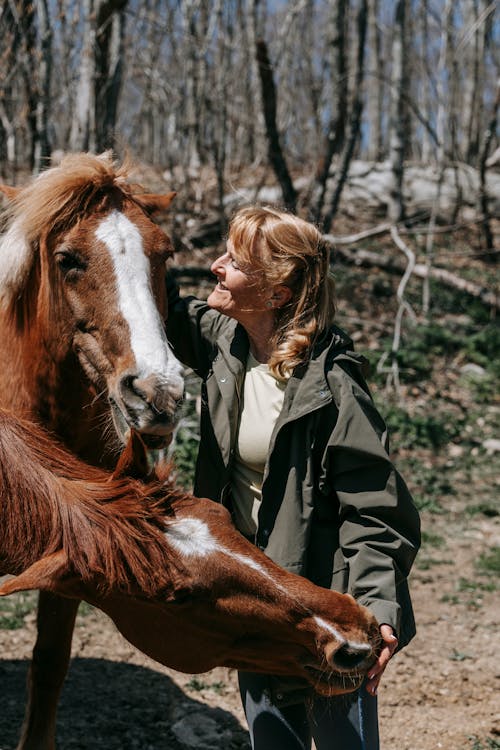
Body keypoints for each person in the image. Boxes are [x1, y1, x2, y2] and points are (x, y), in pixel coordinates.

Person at [166, 205, 420, 750]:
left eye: (232, 262)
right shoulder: (224, 344)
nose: (214, 266)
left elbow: (373, 509)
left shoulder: (330, 385)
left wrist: (375, 610)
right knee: (272, 741)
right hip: (258, 593)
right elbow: (155, 299)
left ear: (277, 292)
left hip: (325, 601)